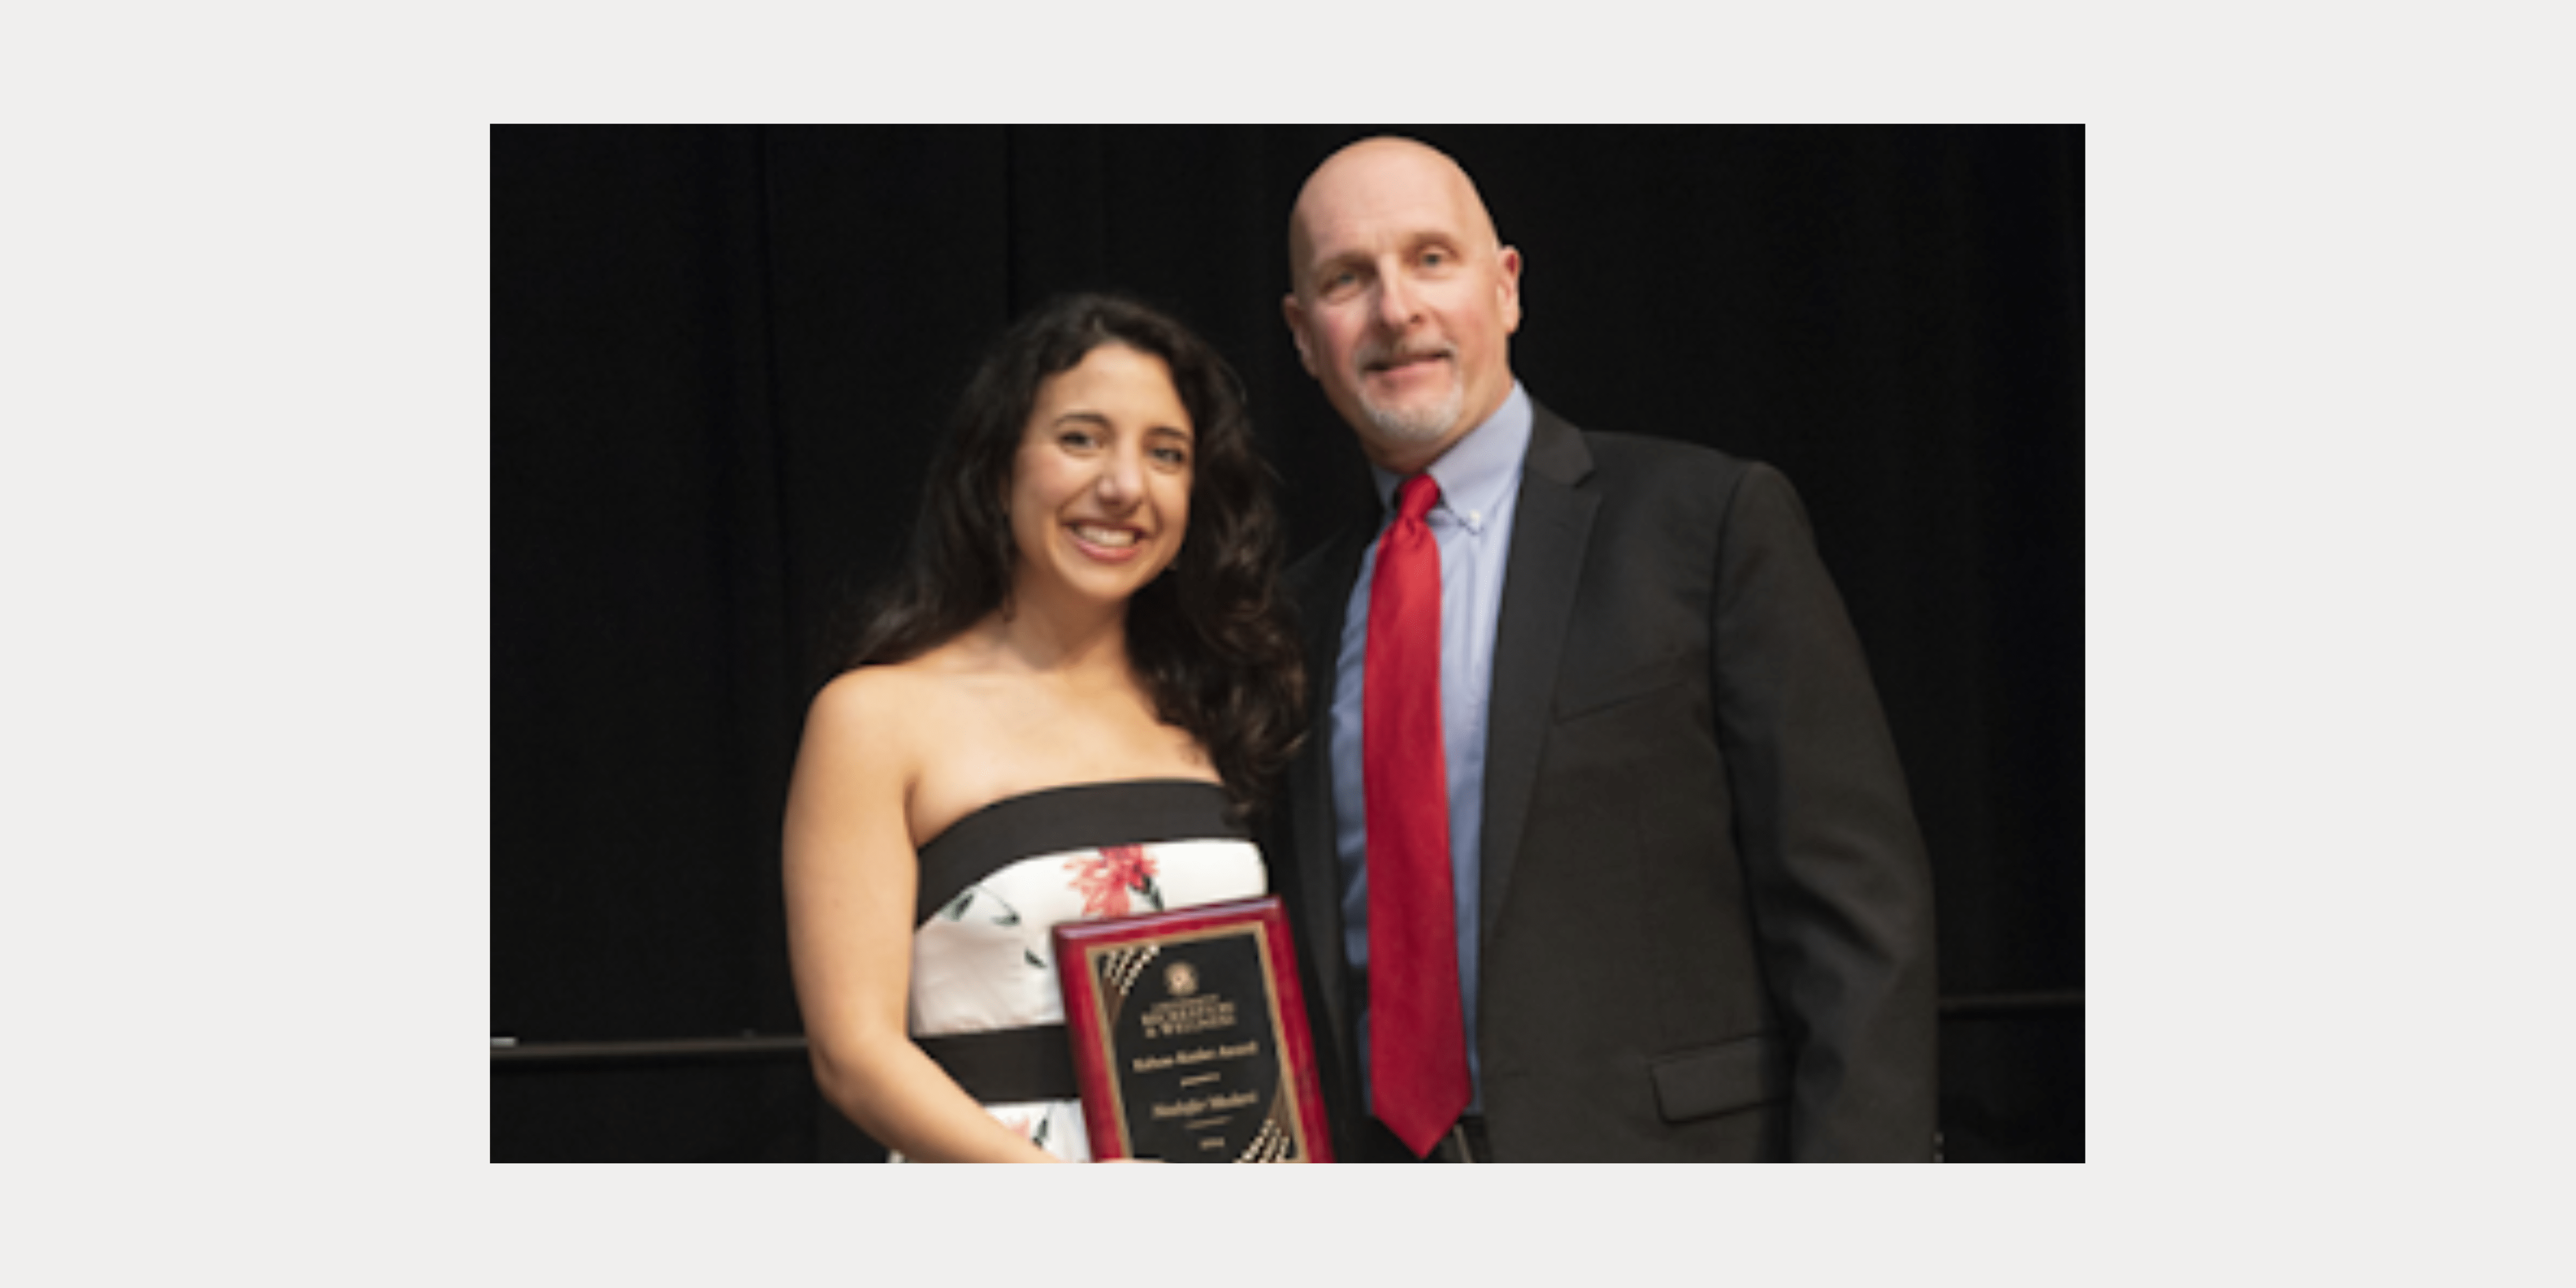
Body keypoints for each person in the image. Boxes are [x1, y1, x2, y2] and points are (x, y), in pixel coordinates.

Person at [1262, 136, 1938, 1161]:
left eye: (1431, 259)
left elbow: (1858, 923)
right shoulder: (1288, 618)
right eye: (1346, 279)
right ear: (1304, 336)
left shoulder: (1705, 525)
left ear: (1505, 289)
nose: (1395, 309)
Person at [783, 293, 1302, 1162]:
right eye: (1080, 439)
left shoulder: (1213, 710)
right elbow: (854, 1058)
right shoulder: (874, 717)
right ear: (998, 472)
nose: (1123, 486)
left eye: (1165, 454)